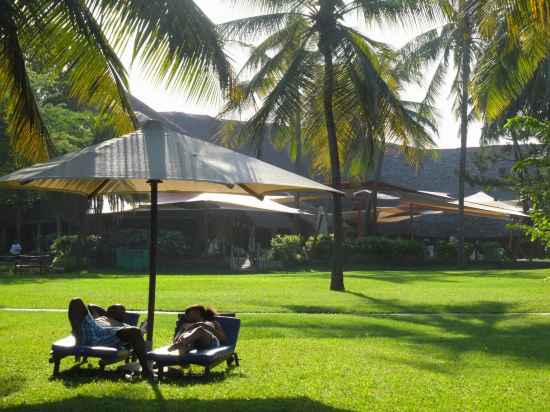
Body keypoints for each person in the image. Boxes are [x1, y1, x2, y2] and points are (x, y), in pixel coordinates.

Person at [68, 298, 155, 380]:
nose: (122, 312)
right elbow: (91, 306)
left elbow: (137, 336)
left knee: (135, 331)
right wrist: (106, 313)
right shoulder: (99, 317)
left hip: (109, 336)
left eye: (123, 310)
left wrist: (142, 329)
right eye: (118, 310)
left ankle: (146, 371)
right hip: (93, 330)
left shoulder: (124, 326)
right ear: (109, 312)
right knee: (76, 301)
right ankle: (79, 336)